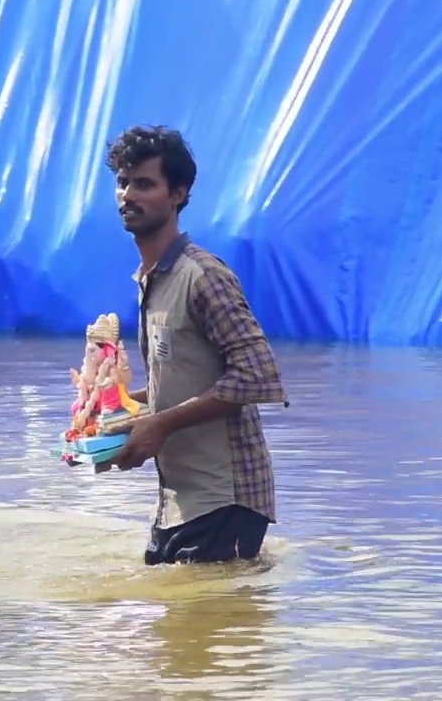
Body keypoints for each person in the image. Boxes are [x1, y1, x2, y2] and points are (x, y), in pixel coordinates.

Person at [96, 124, 289, 566]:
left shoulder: (201, 276)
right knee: (174, 627)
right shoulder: (151, 280)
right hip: (178, 503)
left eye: (145, 184)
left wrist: (159, 425)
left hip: (226, 500)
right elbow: (180, 381)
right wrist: (117, 413)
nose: (129, 195)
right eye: (123, 183)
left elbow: (257, 374)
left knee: (213, 629)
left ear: (178, 194)